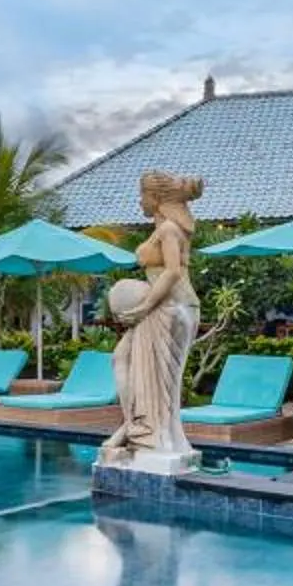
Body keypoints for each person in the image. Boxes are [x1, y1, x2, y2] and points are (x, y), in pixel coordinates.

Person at [98, 170, 203, 469]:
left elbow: (172, 272)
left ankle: (149, 433)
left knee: (160, 383)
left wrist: (143, 307)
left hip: (171, 308)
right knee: (121, 359)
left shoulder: (170, 229)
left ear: (155, 199)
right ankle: (134, 425)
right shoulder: (162, 229)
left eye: (142, 195)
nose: (139, 201)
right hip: (164, 307)